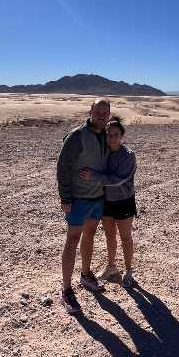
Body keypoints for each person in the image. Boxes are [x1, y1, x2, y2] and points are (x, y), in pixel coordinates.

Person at [57, 98, 111, 314]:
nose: (101, 116)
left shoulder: (107, 134)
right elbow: (62, 167)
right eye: (98, 111)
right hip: (78, 198)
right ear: (90, 111)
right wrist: (65, 198)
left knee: (90, 235)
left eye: (105, 112)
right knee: (72, 240)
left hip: (97, 197)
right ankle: (66, 290)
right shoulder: (77, 136)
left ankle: (86, 274)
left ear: (109, 114)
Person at [80, 115, 137, 287]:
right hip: (106, 201)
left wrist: (94, 176)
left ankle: (128, 271)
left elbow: (117, 180)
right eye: (109, 134)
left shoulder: (128, 155)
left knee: (125, 237)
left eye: (115, 135)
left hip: (123, 201)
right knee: (109, 235)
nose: (112, 138)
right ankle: (111, 267)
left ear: (122, 136)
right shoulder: (103, 153)